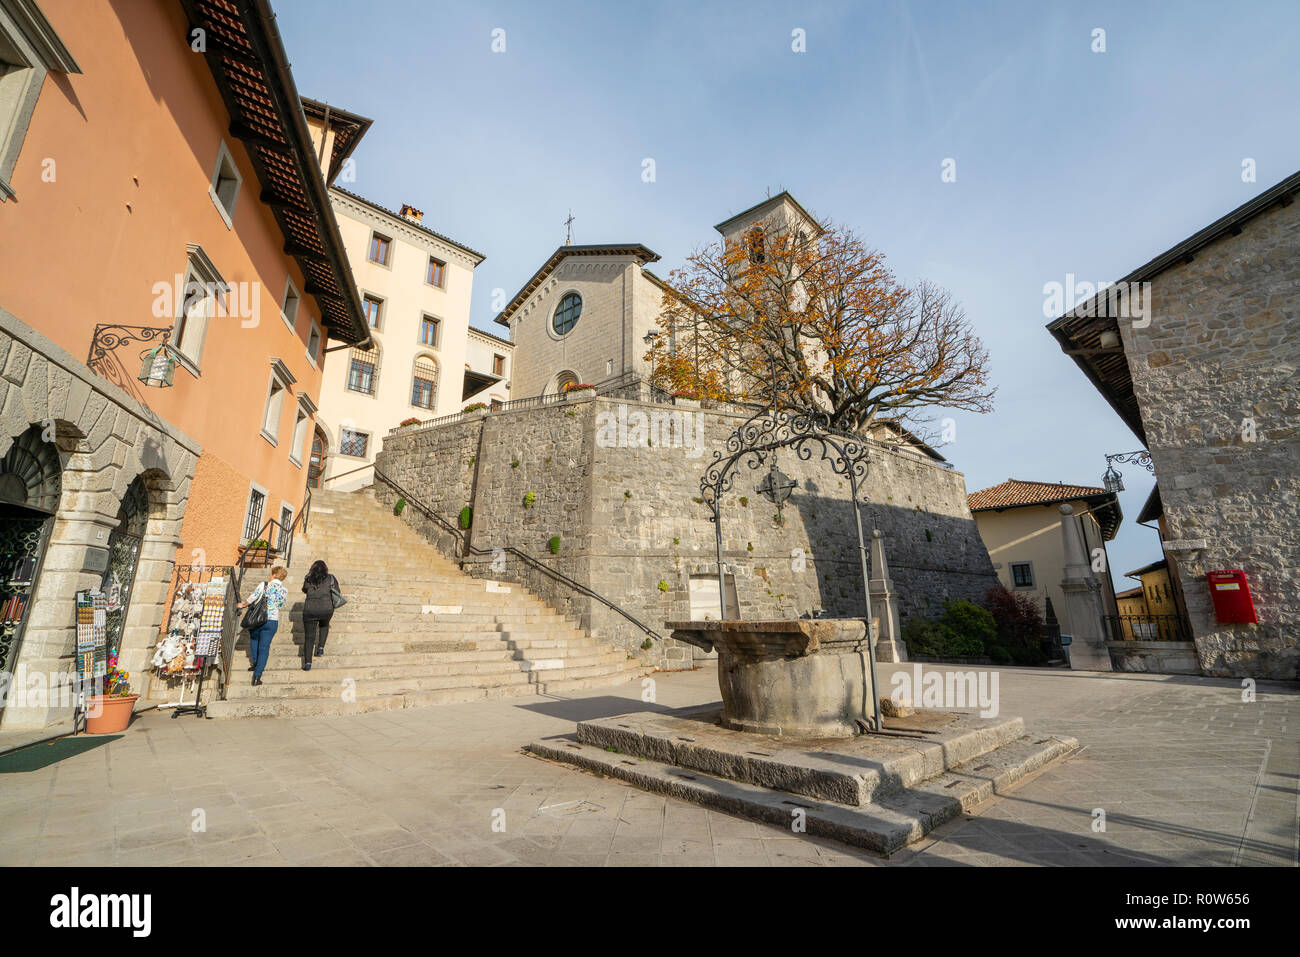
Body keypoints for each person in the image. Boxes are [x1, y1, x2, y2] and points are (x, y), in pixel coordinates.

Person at [238, 565, 288, 687]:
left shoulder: (264, 585)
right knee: (264, 647)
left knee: (254, 639)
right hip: (272, 621)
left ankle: (255, 663)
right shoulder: (284, 590)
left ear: (275, 575)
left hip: (258, 619)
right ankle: (257, 676)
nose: (270, 576)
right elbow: (281, 605)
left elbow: (253, 597)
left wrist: (243, 605)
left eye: (271, 574)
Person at [300, 560, 340, 670]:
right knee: (324, 625)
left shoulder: (308, 578)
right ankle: (321, 647)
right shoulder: (331, 578)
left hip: (310, 609)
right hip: (326, 609)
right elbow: (337, 591)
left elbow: (304, 590)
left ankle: (308, 663)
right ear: (325, 569)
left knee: (309, 637)